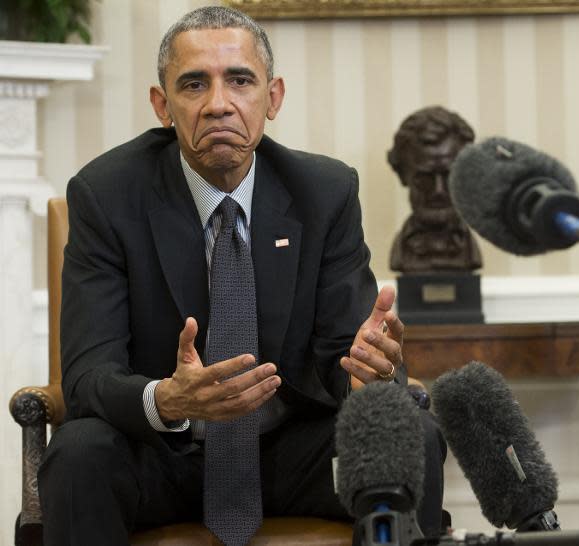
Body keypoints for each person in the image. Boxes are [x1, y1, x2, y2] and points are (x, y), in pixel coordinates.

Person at [37, 6, 446, 545]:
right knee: (79, 452)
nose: (218, 105)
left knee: (411, 432)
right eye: (193, 85)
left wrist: (368, 371)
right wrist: (166, 400)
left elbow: (348, 356)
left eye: (239, 80)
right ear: (163, 105)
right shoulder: (106, 196)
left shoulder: (323, 193)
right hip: (162, 458)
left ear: (272, 97)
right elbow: (89, 376)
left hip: (290, 459)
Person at [387, 106, 482, 273]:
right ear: (403, 174)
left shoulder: (469, 250)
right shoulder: (401, 252)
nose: (439, 191)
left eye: (449, 176)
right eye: (424, 178)